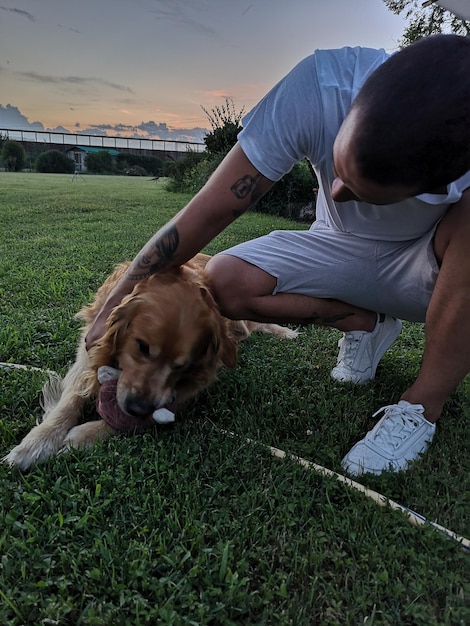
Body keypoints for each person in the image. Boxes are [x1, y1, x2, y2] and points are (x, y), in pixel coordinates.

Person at [86, 34, 470, 476]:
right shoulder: (320, 87)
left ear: (442, 186)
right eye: (338, 171)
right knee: (225, 279)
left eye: (362, 191)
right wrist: (116, 302)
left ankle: (421, 406)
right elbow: (205, 214)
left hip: (433, 268)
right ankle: (365, 323)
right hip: (336, 243)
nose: (337, 192)